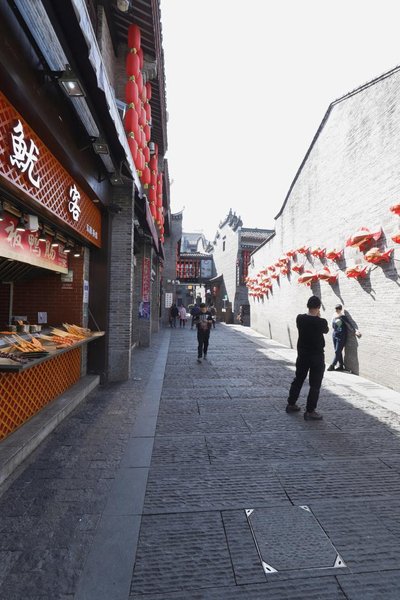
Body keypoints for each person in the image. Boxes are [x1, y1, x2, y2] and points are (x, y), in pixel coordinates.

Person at [286, 295, 329, 421]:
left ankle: (291, 403)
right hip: (316, 357)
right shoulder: (321, 322)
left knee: (298, 379)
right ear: (318, 307)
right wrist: (318, 317)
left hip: (302, 355)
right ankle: (310, 411)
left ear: (308, 306)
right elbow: (325, 330)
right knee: (315, 384)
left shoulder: (300, 318)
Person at [327, 304, 362, 371]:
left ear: (340, 309)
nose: (337, 310)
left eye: (338, 309)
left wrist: (355, 331)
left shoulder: (343, 317)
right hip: (334, 335)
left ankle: (332, 365)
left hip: (341, 336)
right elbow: (333, 326)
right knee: (337, 351)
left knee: (337, 351)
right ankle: (341, 366)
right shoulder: (334, 317)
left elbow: (349, 325)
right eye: (336, 309)